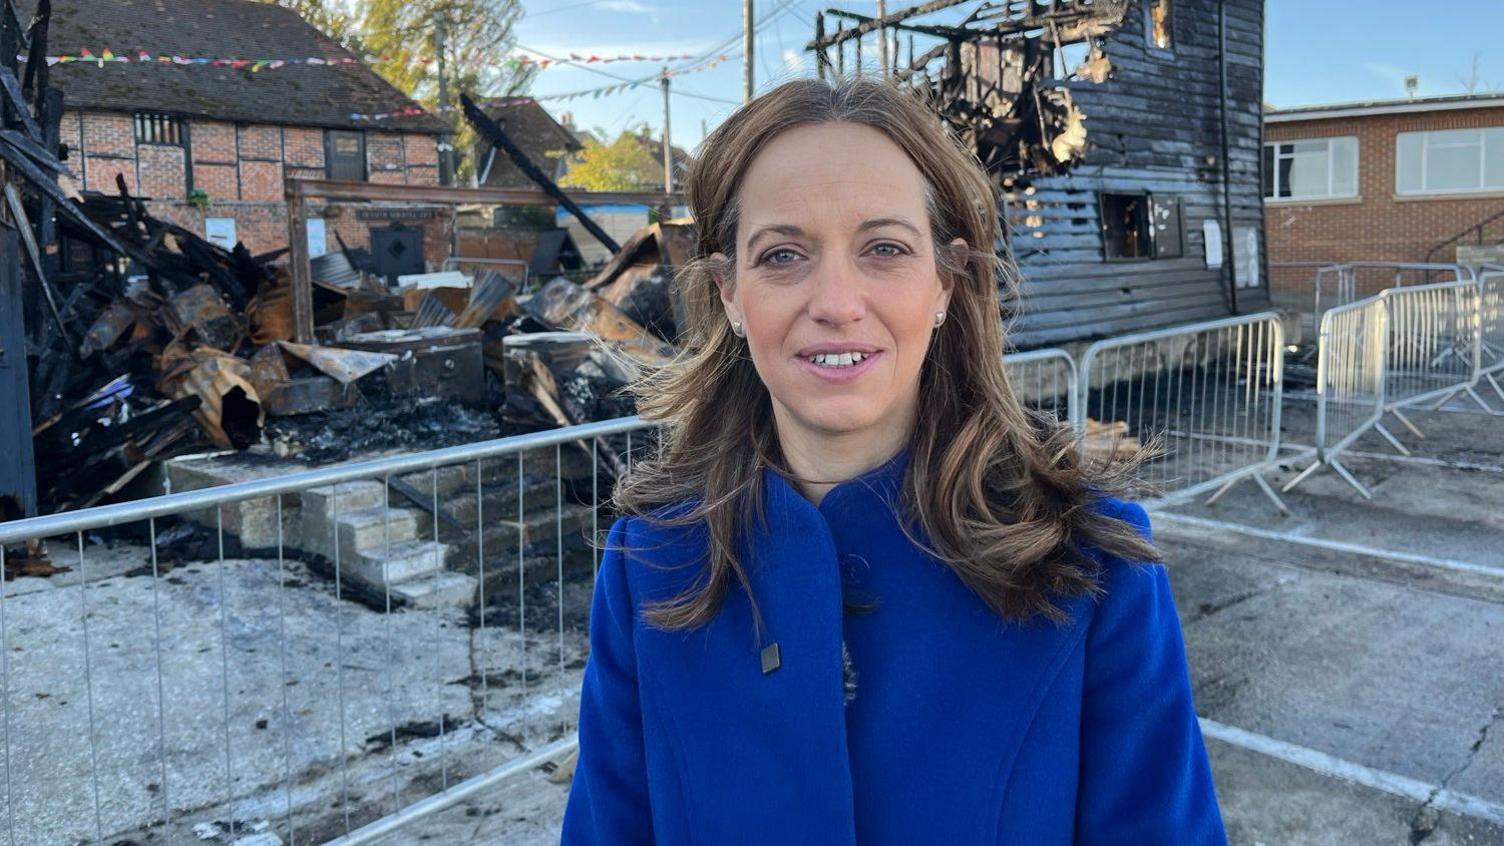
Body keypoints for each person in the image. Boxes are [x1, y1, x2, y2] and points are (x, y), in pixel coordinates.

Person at [560, 75, 1226, 844]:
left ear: (945, 280)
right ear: (730, 292)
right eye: (782, 254)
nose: (837, 301)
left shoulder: (1092, 568)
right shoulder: (650, 564)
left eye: (884, 248)